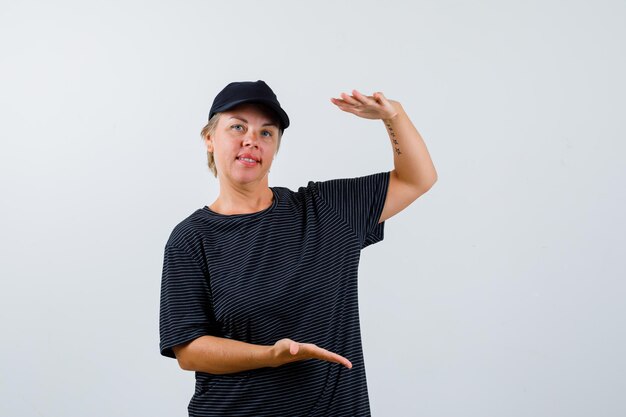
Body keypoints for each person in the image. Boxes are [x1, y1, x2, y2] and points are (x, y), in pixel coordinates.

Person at [159, 80, 437, 416]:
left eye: (267, 133)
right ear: (209, 139)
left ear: (275, 147)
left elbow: (416, 178)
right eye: (237, 127)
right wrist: (271, 355)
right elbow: (189, 350)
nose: (251, 139)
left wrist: (394, 115)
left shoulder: (326, 210)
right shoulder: (191, 238)